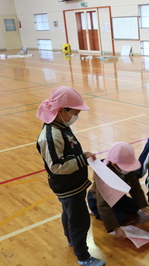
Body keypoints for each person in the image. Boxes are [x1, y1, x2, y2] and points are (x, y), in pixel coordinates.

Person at [36, 86, 105, 266]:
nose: (76, 117)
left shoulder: (60, 125)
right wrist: (82, 159)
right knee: (80, 221)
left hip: (74, 183)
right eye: (75, 113)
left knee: (69, 214)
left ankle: (71, 240)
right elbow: (57, 167)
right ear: (61, 111)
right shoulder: (51, 135)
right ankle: (83, 256)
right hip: (67, 186)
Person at [87, 142, 149, 239]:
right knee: (120, 219)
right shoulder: (104, 176)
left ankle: (116, 210)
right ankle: (94, 211)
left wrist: (142, 205)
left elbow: (135, 188)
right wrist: (115, 228)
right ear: (114, 165)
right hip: (97, 200)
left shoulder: (128, 170)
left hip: (118, 197)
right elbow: (103, 205)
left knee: (134, 208)